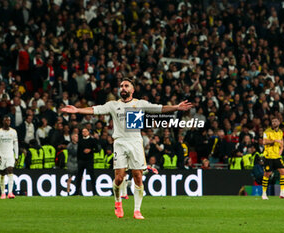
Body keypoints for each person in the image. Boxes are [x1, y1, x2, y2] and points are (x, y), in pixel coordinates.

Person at [61, 78, 192, 219]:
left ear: (132, 90)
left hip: (135, 143)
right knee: (119, 178)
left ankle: (137, 210)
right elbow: (95, 109)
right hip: (120, 143)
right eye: (121, 86)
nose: (123, 88)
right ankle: (118, 203)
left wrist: (176, 107)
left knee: (138, 176)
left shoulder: (139, 104)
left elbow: (159, 108)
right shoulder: (113, 105)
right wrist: (78, 110)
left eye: (126, 86)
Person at [261, 117, 284, 200]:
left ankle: (282, 192)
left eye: (275, 121)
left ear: (279, 122)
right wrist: (274, 141)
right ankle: (264, 193)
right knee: (267, 174)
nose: (274, 122)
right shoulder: (267, 131)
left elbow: (282, 143)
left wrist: (280, 151)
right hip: (269, 156)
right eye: (273, 121)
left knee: (283, 172)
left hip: (277, 156)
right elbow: (264, 142)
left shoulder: (281, 132)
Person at [0, 116, 19, 199]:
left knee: (10, 170)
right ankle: (2, 193)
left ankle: (10, 193)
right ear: (3, 121)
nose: (8, 122)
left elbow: (16, 144)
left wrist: (17, 156)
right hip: (1, 155)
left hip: (10, 155)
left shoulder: (13, 132)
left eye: (9, 120)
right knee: (2, 173)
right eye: (6, 120)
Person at [75, 128, 98, 195]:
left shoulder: (92, 140)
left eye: (85, 131)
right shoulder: (80, 141)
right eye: (83, 132)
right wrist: (78, 160)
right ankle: (77, 192)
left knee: (92, 176)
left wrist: (90, 150)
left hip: (89, 161)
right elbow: (78, 152)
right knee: (79, 176)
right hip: (81, 161)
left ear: (88, 132)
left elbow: (97, 149)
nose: (84, 133)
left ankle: (94, 192)